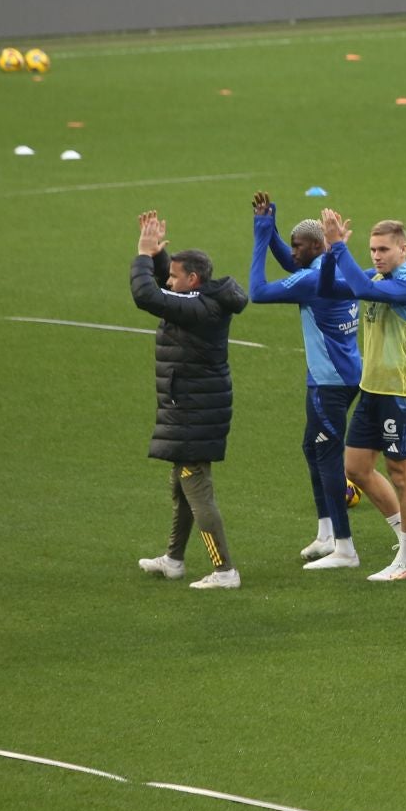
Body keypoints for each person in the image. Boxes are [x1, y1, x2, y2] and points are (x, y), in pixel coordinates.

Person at [132, 211, 249, 590]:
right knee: (182, 485)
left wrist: (142, 255)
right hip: (193, 405)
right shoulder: (203, 298)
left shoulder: (198, 309)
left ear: (193, 281)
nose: (168, 280)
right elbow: (168, 289)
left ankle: (224, 570)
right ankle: (174, 560)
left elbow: (146, 295)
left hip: (194, 411)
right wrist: (160, 258)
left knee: (196, 487)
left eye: (174, 276)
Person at [247, 192, 362, 570]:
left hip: (330, 381)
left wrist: (261, 234)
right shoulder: (333, 269)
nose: (291, 253)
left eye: (298, 247)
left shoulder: (313, 281)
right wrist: (271, 223)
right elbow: (293, 263)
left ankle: (345, 548)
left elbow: (259, 291)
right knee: (312, 449)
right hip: (337, 376)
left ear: (316, 246)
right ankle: (326, 533)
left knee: (327, 456)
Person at [317, 210, 406, 582]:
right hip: (371, 390)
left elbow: (363, 291)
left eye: (383, 249)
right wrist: (335, 253)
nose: (377, 256)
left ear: (403, 248)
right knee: (356, 468)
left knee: (402, 475)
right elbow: (329, 288)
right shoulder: (375, 276)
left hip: (401, 393)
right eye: (371, 249)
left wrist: (337, 247)